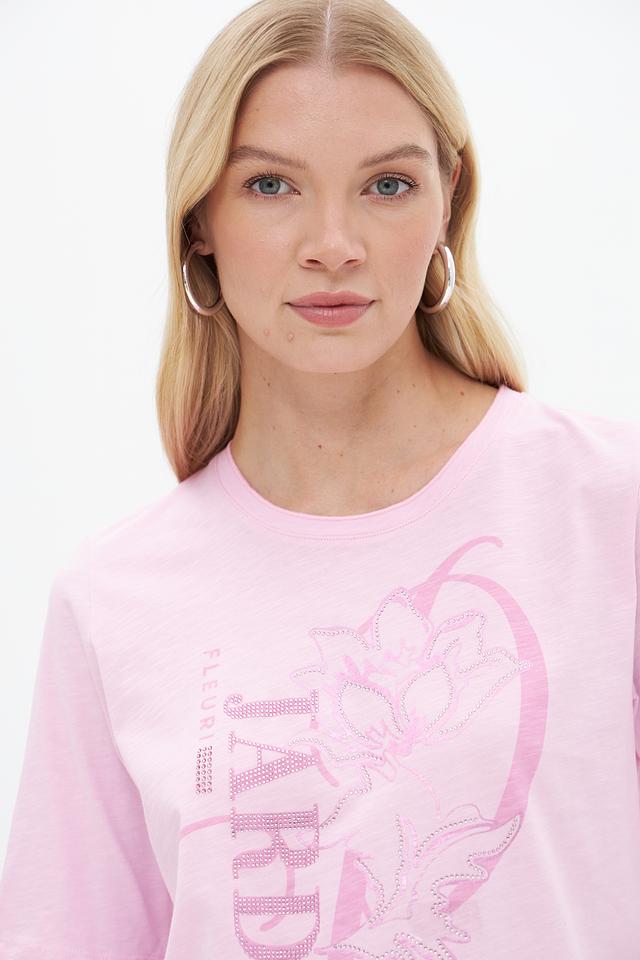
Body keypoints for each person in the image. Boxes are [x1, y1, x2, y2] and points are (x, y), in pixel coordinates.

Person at [1, 0, 639, 957]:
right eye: (271, 185)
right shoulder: (115, 598)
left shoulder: (611, 509)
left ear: (448, 202)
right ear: (199, 220)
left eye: (387, 185)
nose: (333, 242)